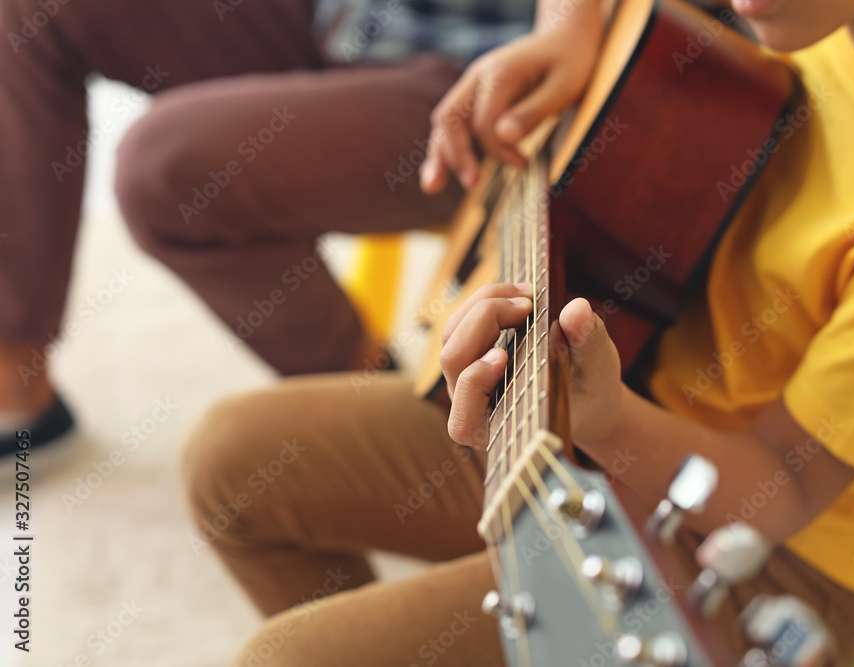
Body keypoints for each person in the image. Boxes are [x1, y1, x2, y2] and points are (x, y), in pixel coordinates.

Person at [182, 0, 854, 664]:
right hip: (636, 381)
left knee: (287, 659)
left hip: (772, 552)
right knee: (227, 462)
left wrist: (599, 416)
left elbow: (778, 486)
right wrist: (567, 31)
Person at [0, 0, 534, 460]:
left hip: (489, 74)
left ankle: (383, 410)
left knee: (166, 173)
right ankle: (16, 394)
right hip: (349, 17)